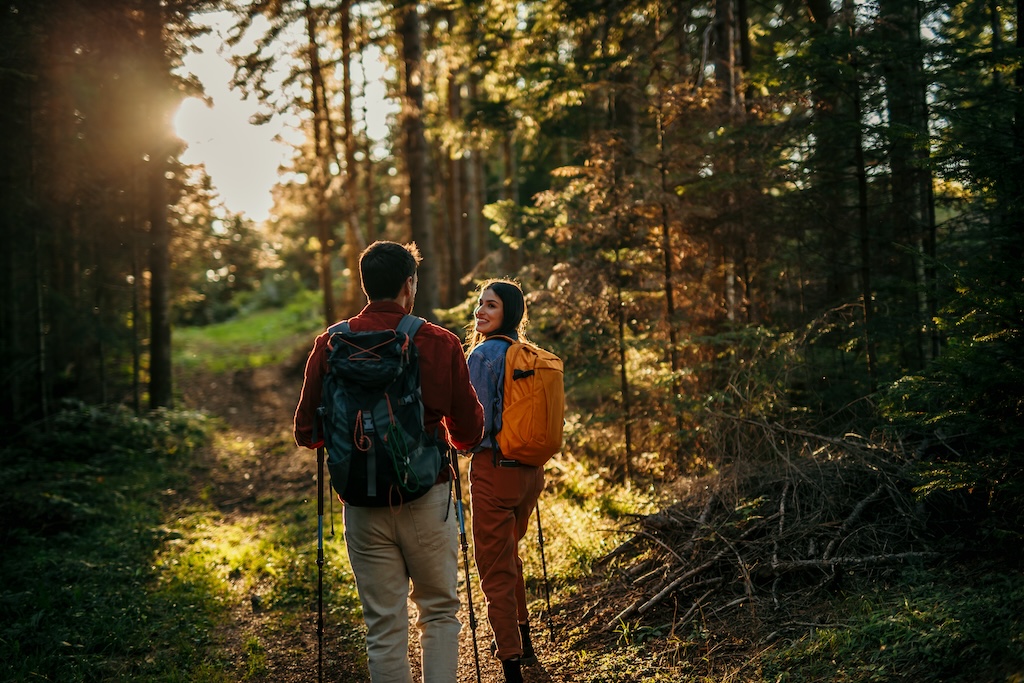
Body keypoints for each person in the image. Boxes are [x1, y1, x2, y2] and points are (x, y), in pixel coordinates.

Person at [293, 241, 485, 683]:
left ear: (365, 284)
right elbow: (469, 431)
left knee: (383, 626)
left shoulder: (330, 342)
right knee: (438, 612)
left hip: (360, 503)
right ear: (409, 284)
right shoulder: (438, 341)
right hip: (426, 496)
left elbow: (307, 433)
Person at [465, 279, 546, 683]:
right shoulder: (526, 354)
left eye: (491, 306)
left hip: (493, 472)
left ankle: (511, 663)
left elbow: (476, 425)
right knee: (509, 555)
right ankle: (524, 639)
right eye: (480, 304)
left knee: (495, 568)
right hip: (530, 474)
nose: (481, 311)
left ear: (508, 314)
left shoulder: (484, 356)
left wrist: (455, 442)